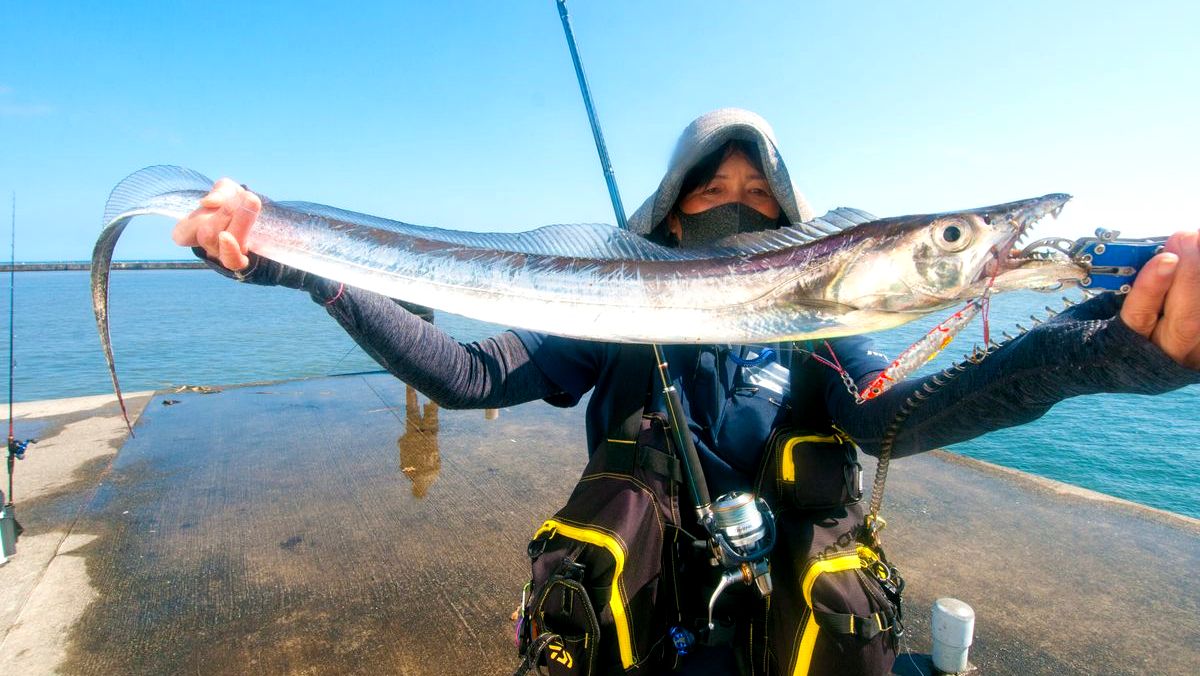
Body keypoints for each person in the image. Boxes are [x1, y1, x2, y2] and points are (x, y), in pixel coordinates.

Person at [172, 109, 1200, 672]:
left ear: (805, 238)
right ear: (666, 220)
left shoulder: (822, 333)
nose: (738, 210)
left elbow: (898, 415)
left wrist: (1106, 349)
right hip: (637, 640)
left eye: (761, 199)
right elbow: (468, 372)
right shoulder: (617, 321)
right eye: (713, 191)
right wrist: (302, 263)